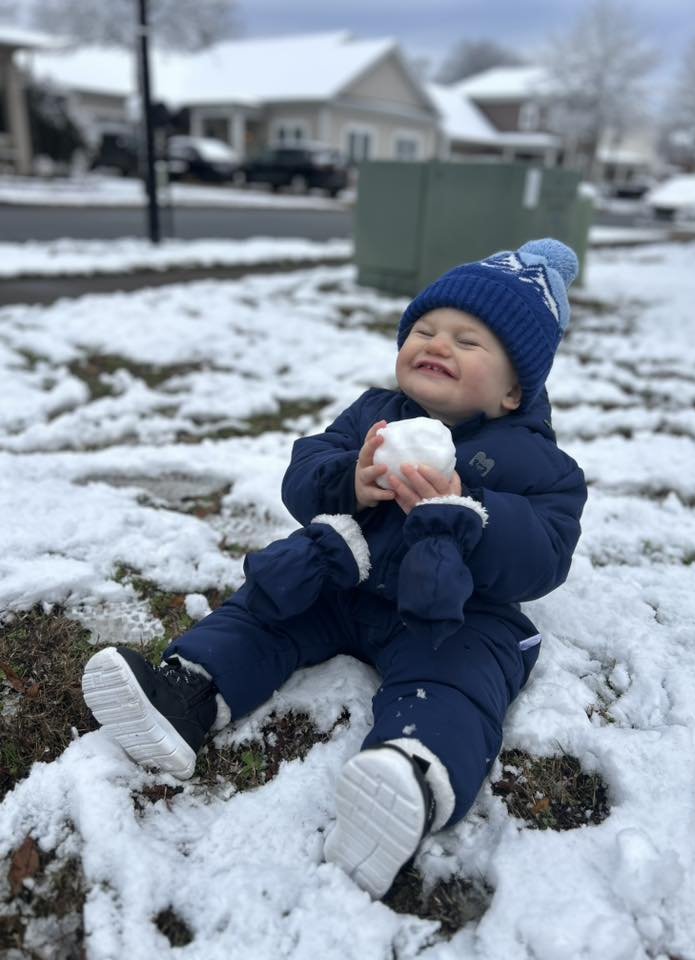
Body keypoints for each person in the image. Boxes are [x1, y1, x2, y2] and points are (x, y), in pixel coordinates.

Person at [82, 238, 587, 899]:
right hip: (344, 578)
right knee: (265, 608)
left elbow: (545, 555)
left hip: (448, 611)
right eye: (425, 329)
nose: (437, 344)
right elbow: (304, 471)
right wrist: (347, 479)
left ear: (515, 388)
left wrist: (473, 512)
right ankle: (187, 695)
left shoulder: (538, 465)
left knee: (462, 672)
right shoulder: (373, 415)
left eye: (469, 341)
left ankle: (409, 773)